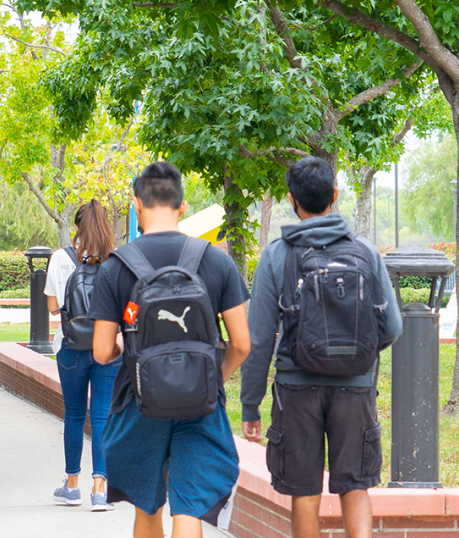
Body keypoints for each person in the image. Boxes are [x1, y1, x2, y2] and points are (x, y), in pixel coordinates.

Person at [241, 157, 403, 538]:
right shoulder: (365, 251)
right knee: (355, 485)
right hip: (355, 386)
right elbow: (393, 326)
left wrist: (251, 404)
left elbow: (260, 338)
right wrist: (358, 354)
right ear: (335, 194)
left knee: (304, 491)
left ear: (291, 198)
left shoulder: (277, 255)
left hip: (296, 390)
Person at [88, 161, 251, 538]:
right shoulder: (216, 261)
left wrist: (126, 347)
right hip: (201, 405)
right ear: (182, 207)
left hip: (139, 402)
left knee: (148, 507)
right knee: (189, 506)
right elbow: (242, 344)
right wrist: (210, 380)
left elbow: (100, 352)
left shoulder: (117, 268)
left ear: (137, 206)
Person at [47, 200, 120, 512]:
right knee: (102, 416)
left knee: (75, 415)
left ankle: (72, 485)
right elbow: (130, 307)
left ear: (76, 227)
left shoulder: (60, 258)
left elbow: (52, 307)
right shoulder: (117, 261)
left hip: (71, 347)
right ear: (106, 227)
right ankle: (100, 490)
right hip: (108, 348)